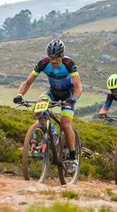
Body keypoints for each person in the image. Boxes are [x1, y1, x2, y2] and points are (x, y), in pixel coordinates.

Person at [13, 39, 82, 172]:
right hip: (53, 92)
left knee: (65, 124)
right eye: (51, 57)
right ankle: (52, 134)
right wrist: (19, 95)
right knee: (40, 105)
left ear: (61, 56)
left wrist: (73, 99)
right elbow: (28, 82)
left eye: (56, 58)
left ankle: (73, 157)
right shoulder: (43, 63)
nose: (53, 61)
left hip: (68, 94)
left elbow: (78, 86)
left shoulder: (69, 64)